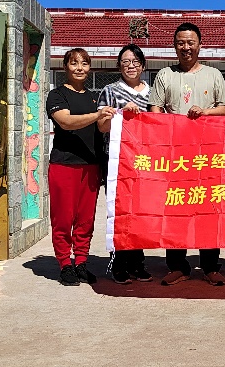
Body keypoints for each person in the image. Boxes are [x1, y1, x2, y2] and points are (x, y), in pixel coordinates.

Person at [149, 22, 225, 286]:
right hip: (177, 158)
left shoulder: (214, 75)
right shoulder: (165, 75)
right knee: (176, 210)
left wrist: (206, 112)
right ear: (175, 47)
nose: (186, 47)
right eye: (181, 43)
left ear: (199, 45)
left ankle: (210, 265)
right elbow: (155, 110)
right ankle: (177, 266)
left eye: (190, 42)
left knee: (209, 210)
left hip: (208, 156)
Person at [46, 48, 116, 286]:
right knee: (63, 219)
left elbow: (102, 128)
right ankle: (65, 264)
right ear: (65, 66)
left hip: (91, 166)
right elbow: (66, 122)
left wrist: (116, 115)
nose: (79, 68)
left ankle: (82, 262)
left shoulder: (94, 98)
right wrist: (97, 115)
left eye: (84, 63)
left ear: (89, 68)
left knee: (86, 219)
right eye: (74, 63)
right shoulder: (57, 95)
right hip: (64, 165)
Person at [97, 44, 154, 284]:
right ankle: (119, 263)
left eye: (135, 62)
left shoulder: (152, 93)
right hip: (117, 162)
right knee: (120, 210)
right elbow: (102, 126)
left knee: (140, 212)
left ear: (143, 65)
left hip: (144, 162)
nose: (131, 66)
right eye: (125, 62)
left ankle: (137, 263)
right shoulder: (109, 91)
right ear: (119, 66)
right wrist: (122, 114)